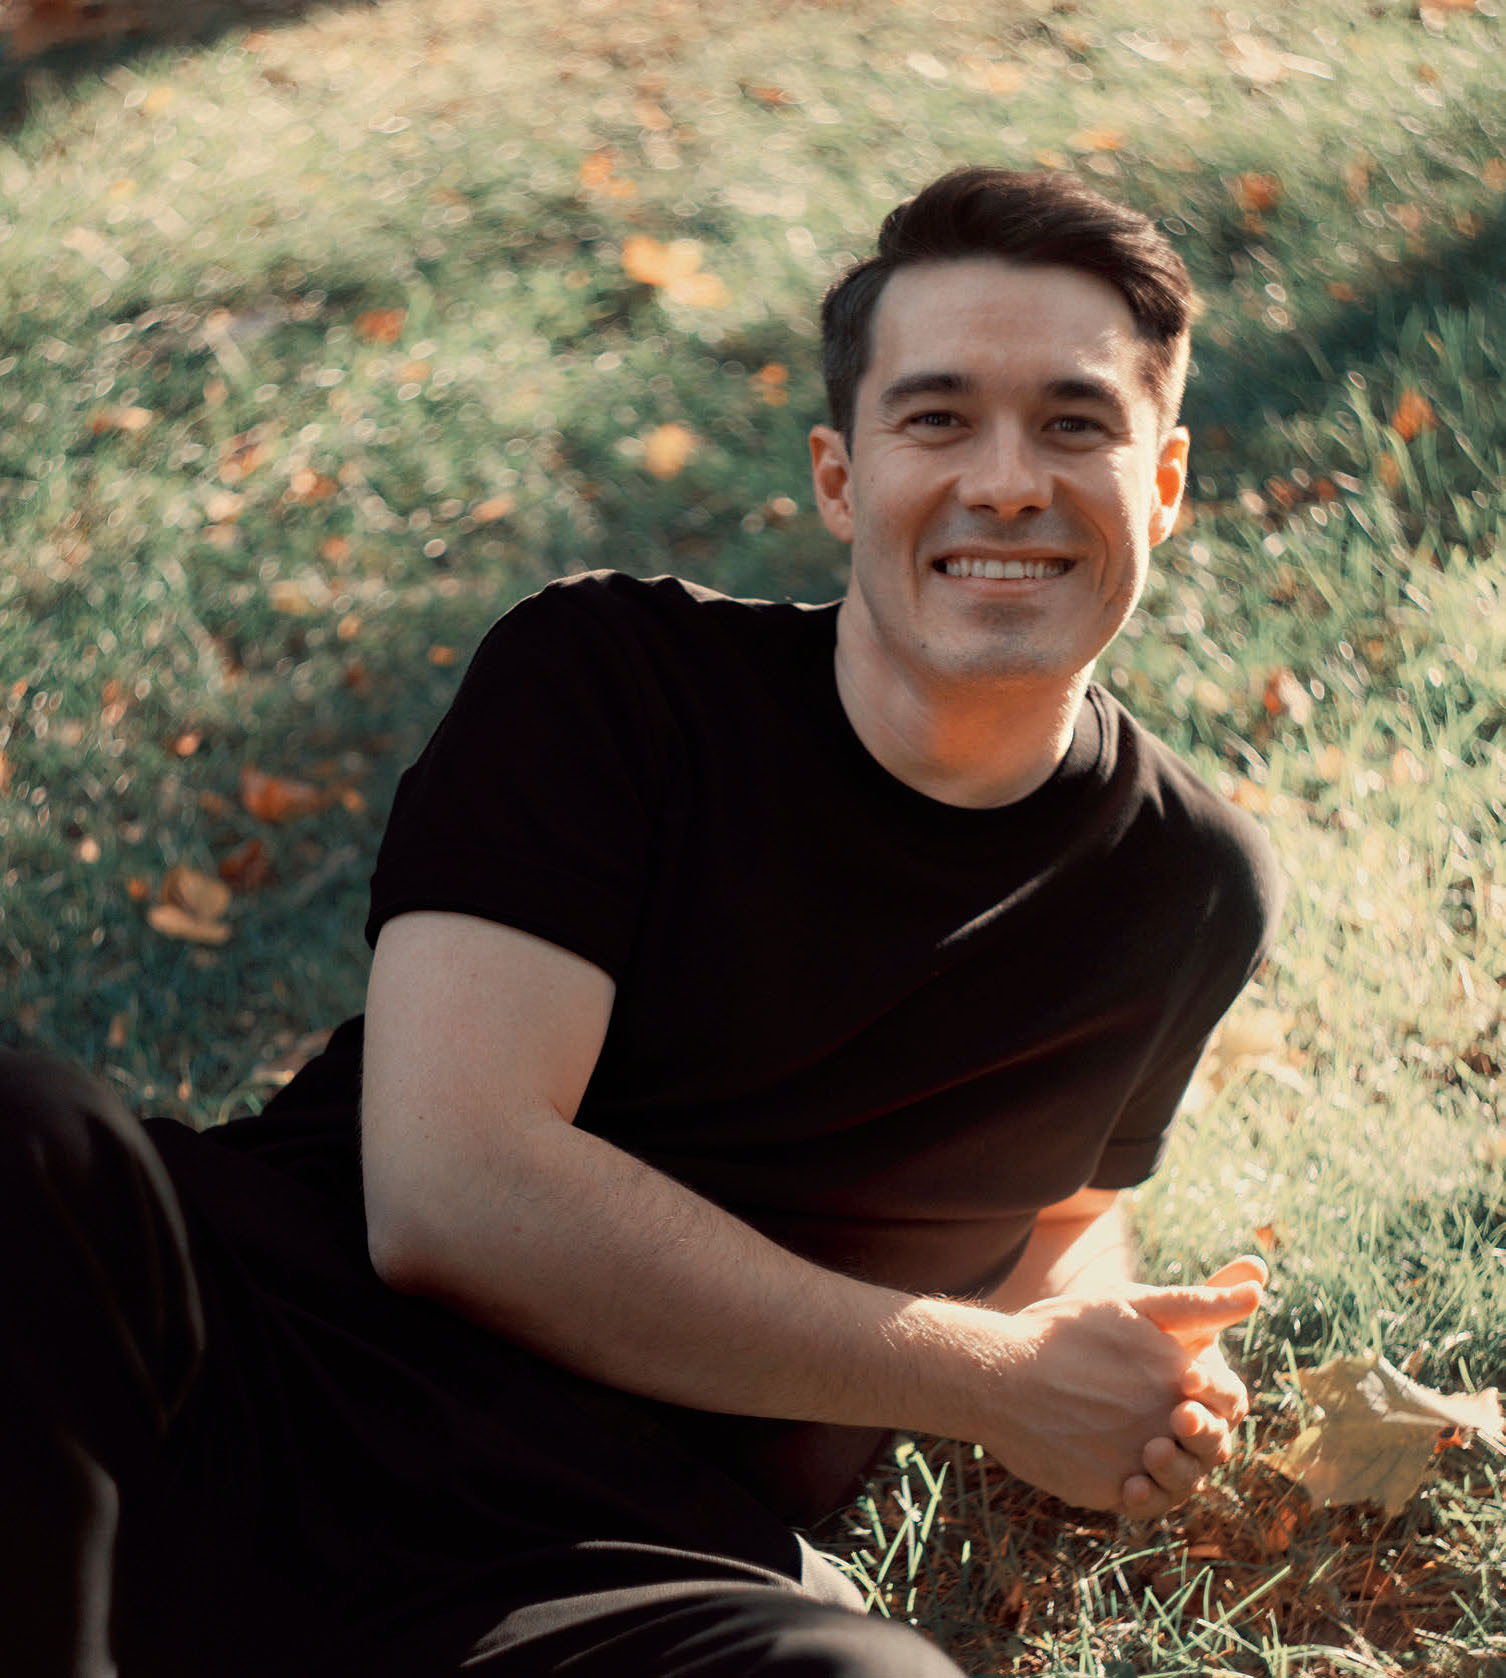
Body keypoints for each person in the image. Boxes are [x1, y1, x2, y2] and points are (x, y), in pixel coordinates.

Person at [1, 167, 1283, 1677]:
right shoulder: (611, 680)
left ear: (1164, 482)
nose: (1005, 482)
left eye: (1074, 424)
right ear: (839, 477)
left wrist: (1121, 1367)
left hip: (624, 1554)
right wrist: (992, 1381)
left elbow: (1053, 1215)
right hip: (251, 1359)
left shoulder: (1188, 881)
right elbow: (452, 1191)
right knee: (30, 1136)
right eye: (936, 419)